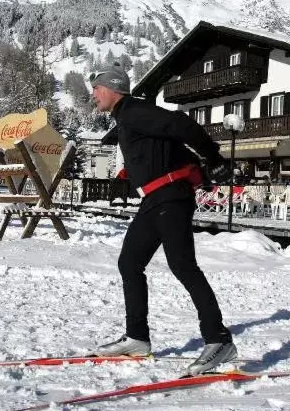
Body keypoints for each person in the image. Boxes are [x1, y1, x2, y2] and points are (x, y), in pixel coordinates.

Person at [89, 63, 237, 375]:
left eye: (96, 88)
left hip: (172, 196)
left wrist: (215, 158)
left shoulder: (134, 111)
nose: (93, 95)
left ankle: (219, 340)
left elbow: (181, 124)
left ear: (113, 88)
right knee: (129, 263)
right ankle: (137, 338)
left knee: (183, 266)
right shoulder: (127, 118)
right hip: (154, 200)